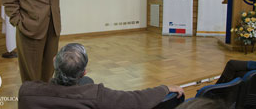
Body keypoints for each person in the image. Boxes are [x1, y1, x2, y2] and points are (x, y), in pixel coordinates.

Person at [18, 43, 184, 109]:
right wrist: (165, 88)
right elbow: (135, 99)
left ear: (54, 62)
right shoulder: (96, 95)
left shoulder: (26, 91)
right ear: (83, 72)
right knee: (88, 83)